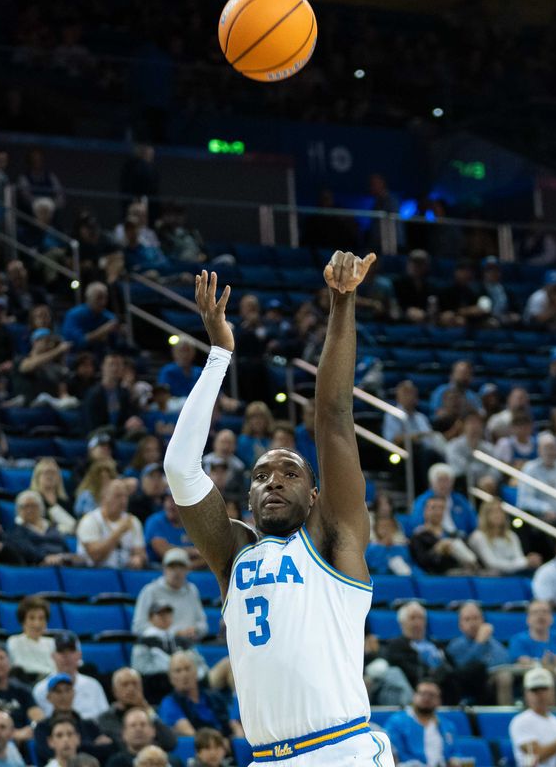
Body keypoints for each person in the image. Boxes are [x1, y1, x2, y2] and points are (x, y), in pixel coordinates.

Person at [162, 256, 394, 763]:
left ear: (316, 497)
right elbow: (180, 467)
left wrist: (342, 302)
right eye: (262, 475)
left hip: (342, 749)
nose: (274, 482)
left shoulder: (333, 540)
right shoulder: (234, 554)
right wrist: (220, 353)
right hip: (266, 757)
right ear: (247, 498)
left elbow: (333, 417)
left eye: (291, 474)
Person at [157, 652, 242, 739]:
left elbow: (231, 724)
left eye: (187, 669)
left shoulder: (214, 697)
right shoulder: (169, 703)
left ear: (196, 671)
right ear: (170, 678)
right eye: (178, 671)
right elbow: (193, 736)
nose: (184, 674)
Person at [385, 680, 466, 766]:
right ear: (414, 696)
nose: (427, 698)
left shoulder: (447, 726)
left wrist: (455, 760)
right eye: (423, 694)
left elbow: (455, 752)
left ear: (439, 700)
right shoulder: (397, 722)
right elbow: (392, 752)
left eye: (432, 695)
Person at [131, 548, 207, 639]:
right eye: (172, 566)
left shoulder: (192, 590)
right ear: (164, 569)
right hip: (157, 648)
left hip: (188, 647)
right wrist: (173, 634)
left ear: (188, 569)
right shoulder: (149, 590)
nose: (177, 571)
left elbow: (203, 625)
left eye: (181, 566)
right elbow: (138, 627)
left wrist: (196, 630)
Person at [31, 633, 110, 720]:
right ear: (53, 656)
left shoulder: (93, 685)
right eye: (61, 651)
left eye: (71, 651)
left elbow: (105, 719)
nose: (66, 656)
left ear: (79, 655)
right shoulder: (41, 690)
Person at [95, 668, 177, 751]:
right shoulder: (107, 718)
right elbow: (124, 744)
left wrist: (148, 711)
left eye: (135, 684)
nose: (131, 689)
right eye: (125, 684)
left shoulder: (153, 712)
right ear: (114, 691)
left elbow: (170, 742)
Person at [509, 666, 556, 767]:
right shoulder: (520, 721)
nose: (540, 694)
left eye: (544, 689)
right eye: (534, 690)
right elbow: (537, 755)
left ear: (552, 691)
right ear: (526, 693)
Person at [508, 600, 556, 687]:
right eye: (535, 612)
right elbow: (523, 662)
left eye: (545, 612)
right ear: (527, 619)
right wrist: (552, 668)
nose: (540, 616)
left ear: (552, 618)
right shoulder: (518, 640)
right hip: (536, 683)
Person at [76, 479, 146, 569]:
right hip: (95, 574)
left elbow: (140, 553)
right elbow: (96, 557)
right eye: (118, 496)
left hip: (125, 573)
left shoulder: (133, 521)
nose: (123, 501)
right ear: (104, 497)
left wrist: (138, 558)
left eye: (125, 496)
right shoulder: (90, 520)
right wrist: (119, 532)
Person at [518, 433, 556, 521]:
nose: (550, 452)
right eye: (546, 448)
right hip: (540, 517)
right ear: (539, 450)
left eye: (553, 448)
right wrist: (545, 508)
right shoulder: (530, 468)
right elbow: (524, 500)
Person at [467, 498, 540, 575]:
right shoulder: (478, 536)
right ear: (485, 515)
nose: (498, 515)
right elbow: (492, 564)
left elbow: (519, 558)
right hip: (488, 579)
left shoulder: (512, 536)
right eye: (493, 512)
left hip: (512, 576)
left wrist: (527, 561)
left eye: (500, 511)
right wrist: (525, 562)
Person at [105, 709, 182, 767]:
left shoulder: (171, 762)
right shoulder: (115, 763)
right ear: (124, 734)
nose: (138, 729)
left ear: (153, 731)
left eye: (143, 724)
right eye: (133, 725)